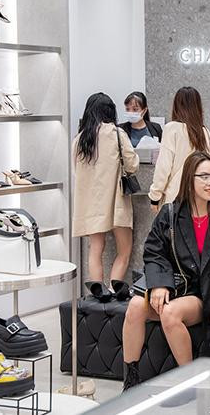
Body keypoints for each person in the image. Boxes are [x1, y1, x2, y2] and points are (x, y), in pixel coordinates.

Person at [122, 151, 210, 391]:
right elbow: (154, 252)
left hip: (203, 294)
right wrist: (159, 283)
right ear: (189, 179)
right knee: (135, 306)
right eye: (204, 177)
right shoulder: (169, 215)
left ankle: (189, 382)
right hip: (174, 287)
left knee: (170, 312)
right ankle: (131, 380)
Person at [72, 93, 138, 284]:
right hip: (116, 201)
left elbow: (76, 170)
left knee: (95, 250)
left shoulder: (80, 138)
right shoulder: (116, 134)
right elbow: (132, 165)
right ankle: (113, 293)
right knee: (124, 251)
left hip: (92, 204)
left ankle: (98, 294)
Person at [149, 86, 210, 213]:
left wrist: (155, 196)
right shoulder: (204, 132)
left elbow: (164, 166)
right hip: (199, 197)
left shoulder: (172, 129)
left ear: (177, 105)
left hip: (176, 196)